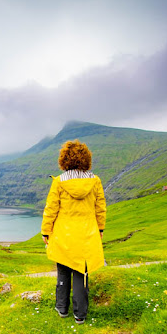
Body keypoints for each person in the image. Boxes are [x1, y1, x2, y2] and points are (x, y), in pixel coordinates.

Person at [41, 139, 106, 324]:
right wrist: (100, 228)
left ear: (64, 160)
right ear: (86, 159)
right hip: (86, 235)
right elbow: (100, 208)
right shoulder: (95, 181)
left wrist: (46, 232)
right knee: (81, 274)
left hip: (63, 234)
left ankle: (62, 308)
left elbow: (51, 209)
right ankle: (80, 315)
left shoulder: (59, 182)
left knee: (63, 272)